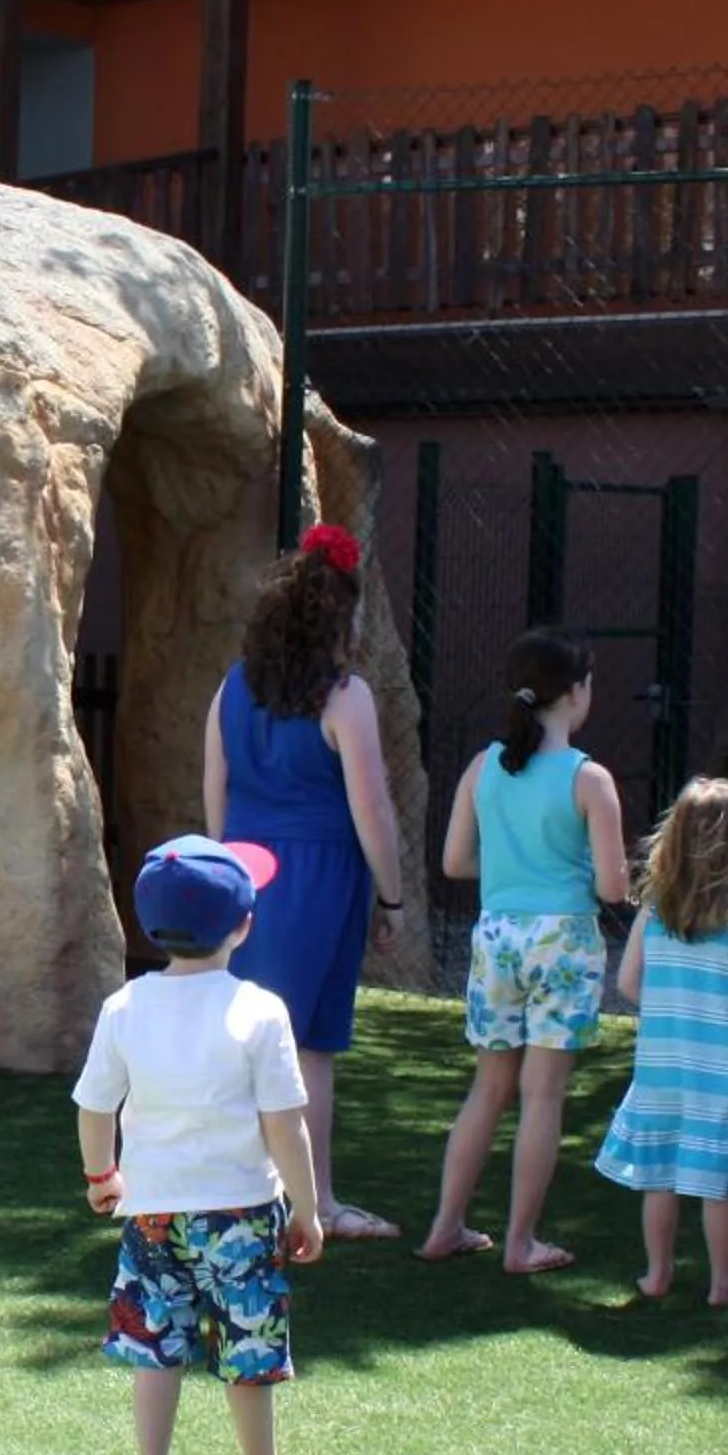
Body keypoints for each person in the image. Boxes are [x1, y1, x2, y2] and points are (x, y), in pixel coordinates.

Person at [75, 836, 328, 1455]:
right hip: (242, 1213)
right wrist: (307, 1209)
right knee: (248, 1347)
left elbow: (95, 1105)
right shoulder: (260, 1010)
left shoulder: (125, 1007)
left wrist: (102, 1175)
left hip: (152, 1213)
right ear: (243, 925)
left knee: (157, 1345)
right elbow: (286, 1125)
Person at [203, 522, 406, 1241]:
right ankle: (312, 1201)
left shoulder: (232, 688)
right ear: (338, 616)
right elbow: (372, 807)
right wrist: (392, 895)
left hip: (242, 871)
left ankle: (234, 1189)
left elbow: (216, 790)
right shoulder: (345, 697)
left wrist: (227, 873)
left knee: (243, 1037)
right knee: (308, 1045)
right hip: (320, 877)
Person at [417, 630, 631, 1274]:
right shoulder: (589, 779)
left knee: (490, 1087)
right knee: (542, 1095)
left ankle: (444, 1227)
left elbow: (455, 861)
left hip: (498, 936)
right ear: (575, 693)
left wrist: (513, 870)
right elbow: (612, 886)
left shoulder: (484, 767)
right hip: (563, 938)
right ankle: (519, 1243)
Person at [593, 778, 728, 1307]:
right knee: (717, 1184)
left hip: (661, 1071)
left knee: (659, 1178)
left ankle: (657, 1274)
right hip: (718, 1080)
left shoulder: (653, 919)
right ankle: (722, 1282)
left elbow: (628, 984)